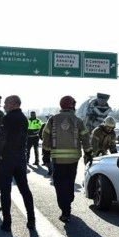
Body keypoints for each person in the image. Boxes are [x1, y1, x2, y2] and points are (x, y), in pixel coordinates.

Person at [41, 95, 92, 223]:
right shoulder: (77, 120)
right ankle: (68, 201)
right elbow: (86, 138)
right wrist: (88, 153)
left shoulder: (53, 119)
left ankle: (64, 210)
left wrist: (45, 152)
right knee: (69, 182)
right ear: (71, 106)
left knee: (59, 184)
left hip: (57, 160)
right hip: (73, 160)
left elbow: (45, 136)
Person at [0, 95, 37, 231]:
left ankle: (7, 222)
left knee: (5, 192)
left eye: (6, 103)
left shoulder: (7, 118)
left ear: (12, 104)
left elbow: (2, 138)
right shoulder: (24, 118)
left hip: (6, 159)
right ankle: (31, 219)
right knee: (24, 189)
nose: (4, 106)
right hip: (20, 159)